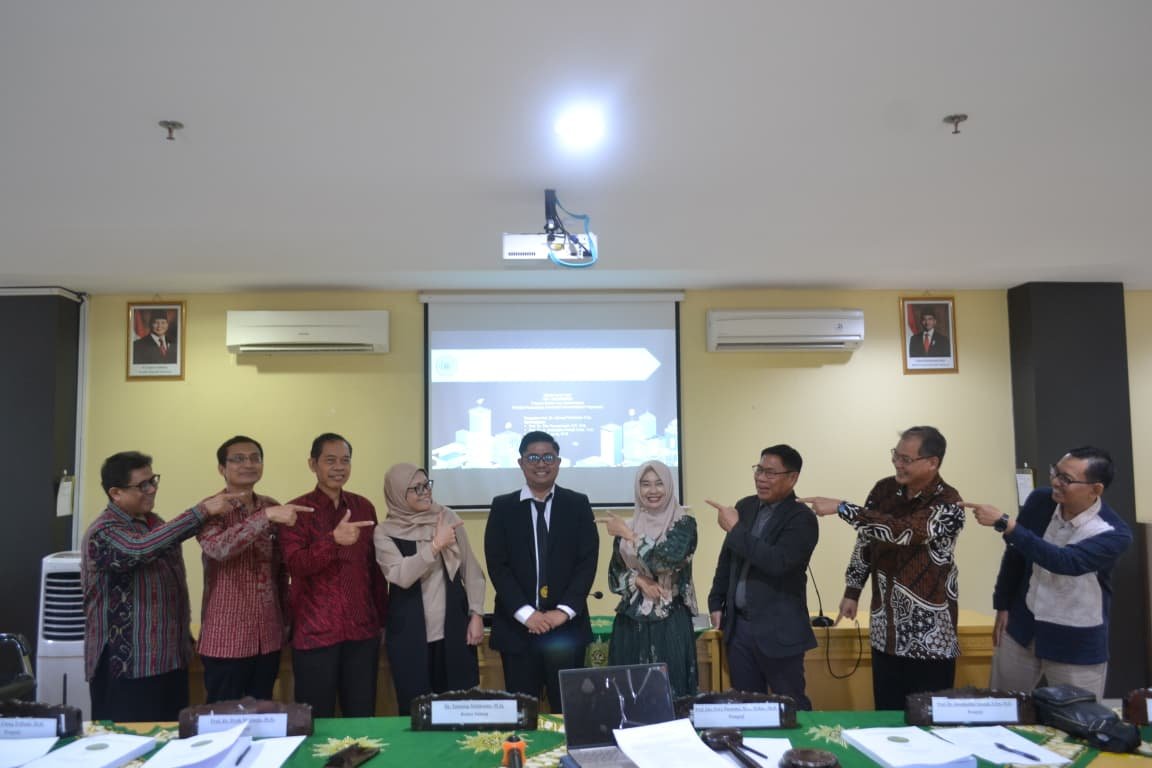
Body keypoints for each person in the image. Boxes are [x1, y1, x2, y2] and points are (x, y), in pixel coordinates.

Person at [802, 426, 964, 710]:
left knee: (929, 719)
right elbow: (866, 540)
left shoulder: (949, 503)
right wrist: (852, 590)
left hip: (930, 636)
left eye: (906, 459)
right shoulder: (884, 489)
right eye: (895, 455)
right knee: (887, 715)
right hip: (884, 630)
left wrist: (843, 508)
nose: (897, 464)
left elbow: (904, 532)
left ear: (932, 462)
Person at [82, 450, 241, 722]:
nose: (152, 489)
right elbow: (140, 549)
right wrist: (202, 511)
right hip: (127, 666)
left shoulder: (154, 523)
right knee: (129, 742)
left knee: (170, 737)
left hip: (170, 659)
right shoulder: (103, 531)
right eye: (142, 485)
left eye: (153, 480)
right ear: (116, 493)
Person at [963, 447, 1132, 700]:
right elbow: (1016, 553)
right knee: (1002, 708)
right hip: (1022, 628)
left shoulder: (1113, 533)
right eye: (1056, 472)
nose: (1055, 482)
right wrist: (1003, 604)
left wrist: (1007, 524)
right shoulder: (1041, 500)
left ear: (1095, 489)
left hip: (1075, 640)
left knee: (1075, 716)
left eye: (1066, 479)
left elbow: (1064, 562)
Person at [484, 430, 599, 713]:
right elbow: (498, 566)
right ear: (521, 462)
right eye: (533, 457)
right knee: (523, 715)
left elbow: (587, 562)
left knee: (570, 713)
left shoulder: (577, 504)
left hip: (567, 630)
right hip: (518, 630)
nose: (541, 464)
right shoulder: (503, 507)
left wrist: (563, 611)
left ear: (558, 462)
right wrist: (527, 614)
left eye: (548, 457)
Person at [278, 433, 388, 717]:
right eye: (330, 460)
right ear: (312, 464)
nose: (339, 467)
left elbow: (374, 569)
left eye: (345, 460)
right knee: (317, 720)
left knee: (361, 717)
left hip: (362, 632)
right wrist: (332, 541)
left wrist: (382, 620)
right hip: (314, 633)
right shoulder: (297, 511)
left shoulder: (363, 507)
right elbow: (295, 565)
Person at [197, 436, 311, 702]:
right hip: (226, 637)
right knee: (223, 717)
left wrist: (286, 620)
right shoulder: (211, 508)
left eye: (255, 458)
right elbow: (219, 548)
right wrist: (265, 518)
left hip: (268, 636)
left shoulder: (271, 505)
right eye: (238, 459)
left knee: (263, 715)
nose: (248, 464)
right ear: (222, 468)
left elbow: (281, 570)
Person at [707, 445, 818, 709]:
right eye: (759, 470)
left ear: (792, 478)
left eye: (770, 473)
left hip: (779, 631)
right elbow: (728, 559)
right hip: (739, 629)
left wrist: (735, 529)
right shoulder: (745, 507)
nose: (761, 478)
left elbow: (777, 562)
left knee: (790, 706)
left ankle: (800, 740)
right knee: (746, 707)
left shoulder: (802, 518)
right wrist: (716, 601)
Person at [374, 463, 486, 715]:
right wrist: (435, 546)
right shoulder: (384, 532)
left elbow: (471, 570)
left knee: (460, 708)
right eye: (416, 488)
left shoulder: (447, 518)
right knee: (417, 711)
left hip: (454, 631)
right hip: (409, 635)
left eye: (427, 485)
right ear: (397, 493)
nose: (425, 492)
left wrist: (477, 614)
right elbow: (401, 575)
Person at [600, 460, 699, 698]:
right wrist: (639, 581)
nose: (652, 490)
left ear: (669, 487)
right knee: (628, 693)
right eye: (645, 484)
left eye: (659, 483)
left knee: (671, 693)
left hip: (670, 621)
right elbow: (614, 576)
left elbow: (664, 562)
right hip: (630, 622)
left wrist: (629, 535)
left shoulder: (684, 524)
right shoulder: (630, 525)